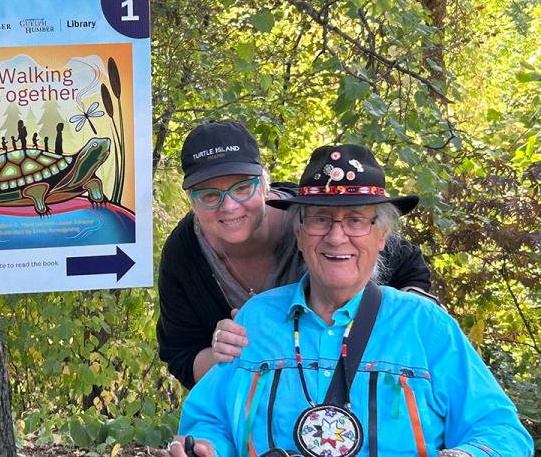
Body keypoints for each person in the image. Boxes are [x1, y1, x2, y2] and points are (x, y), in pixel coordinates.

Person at [168, 144, 534, 457]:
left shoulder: (425, 325)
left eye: (356, 220)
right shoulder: (256, 320)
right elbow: (209, 419)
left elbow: (502, 433)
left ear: (382, 235)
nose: (336, 237)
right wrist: (206, 446)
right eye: (320, 220)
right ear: (298, 234)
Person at [157, 121, 435, 389]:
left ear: (263, 184)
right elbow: (182, 356)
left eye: (242, 188)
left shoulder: (317, 215)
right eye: (209, 195)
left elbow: (407, 267)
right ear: (192, 200)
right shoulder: (183, 256)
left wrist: (407, 327)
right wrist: (224, 355)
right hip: (260, 408)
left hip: (364, 390)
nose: (229, 206)